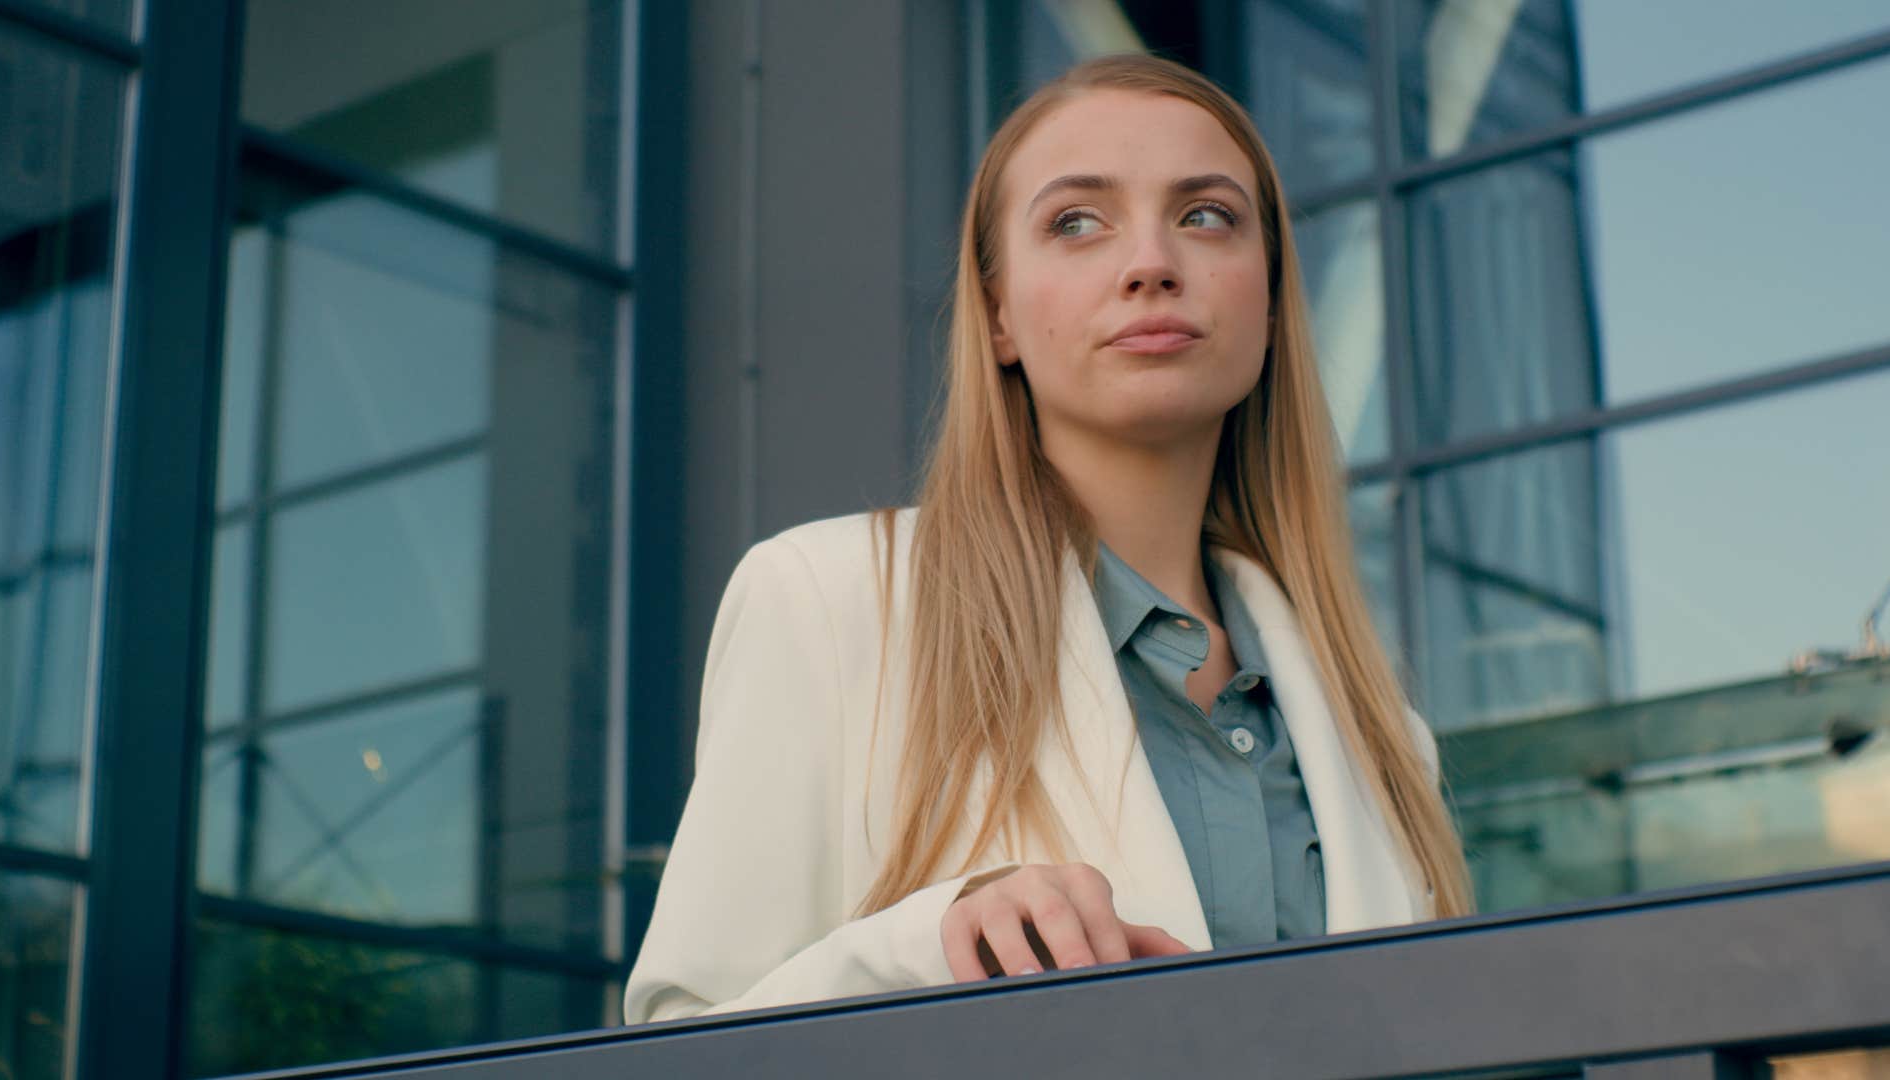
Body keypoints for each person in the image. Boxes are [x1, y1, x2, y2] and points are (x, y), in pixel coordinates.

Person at [623, 52, 1471, 1025]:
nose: (1152, 262)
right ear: (996, 318)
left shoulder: (1378, 731)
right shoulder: (826, 598)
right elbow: (681, 1042)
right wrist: (935, 942)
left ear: (1272, 304)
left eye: (1206, 216)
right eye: (1077, 222)